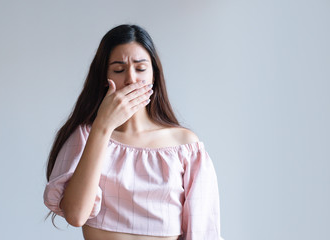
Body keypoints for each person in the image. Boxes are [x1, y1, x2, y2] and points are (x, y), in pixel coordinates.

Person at [43, 24, 224, 240]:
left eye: (140, 69)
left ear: (154, 75)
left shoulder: (185, 146)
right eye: (119, 70)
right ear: (103, 77)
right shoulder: (85, 136)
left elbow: (203, 233)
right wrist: (103, 126)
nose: (131, 79)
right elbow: (75, 215)